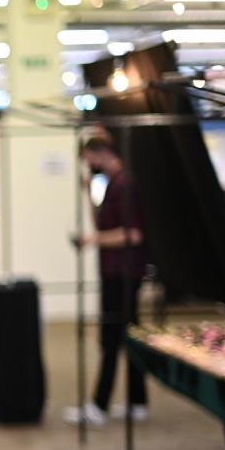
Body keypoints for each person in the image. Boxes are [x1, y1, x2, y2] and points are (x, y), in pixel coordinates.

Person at [64, 136, 149, 428]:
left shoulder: (125, 184)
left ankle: (100, 404)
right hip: (116, 271)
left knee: (112, 338)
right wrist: (88, 196)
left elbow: (133, 234)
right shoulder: (115, 183)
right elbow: (103, 225)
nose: (88, 165)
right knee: (128, 336)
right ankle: (137, 402)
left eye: (88, 159)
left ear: (99, 153)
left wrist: (92, 240)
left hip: (123, 273)